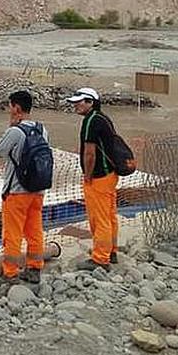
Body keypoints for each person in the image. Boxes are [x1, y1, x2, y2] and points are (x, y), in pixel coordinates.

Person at [0, 90, 47, 285]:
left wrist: (10, 126)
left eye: (10, 106)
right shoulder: (42, 129)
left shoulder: (15, 131)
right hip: (38, 190)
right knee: (35, 230)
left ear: (16, 108)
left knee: (12, 233)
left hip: (16, 191)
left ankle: (10, 271)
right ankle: (34, 267)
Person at [67, 87, 119, 270]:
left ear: (90, 102)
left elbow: (90, 153)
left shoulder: (91, 121)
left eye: (78, 102)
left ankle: (100, 258)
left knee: (100, 219)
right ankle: (111, 251)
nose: (75, 105)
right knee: (110, 215)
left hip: (98, 177)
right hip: (110, 175)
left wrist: (87, 176)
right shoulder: (104, 118)